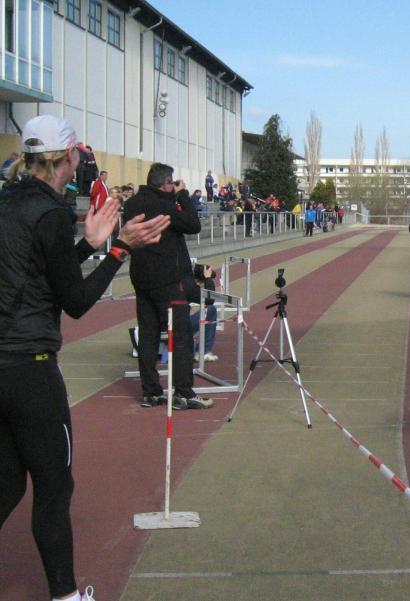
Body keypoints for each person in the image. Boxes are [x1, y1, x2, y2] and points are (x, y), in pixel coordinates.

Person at [0, 114, 169, 601]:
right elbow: (74, 300)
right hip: (29, 369)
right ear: (68, 158)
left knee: (8, 485)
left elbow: (40, 273)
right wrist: (119, 249)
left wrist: (89, 246)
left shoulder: (9, 201)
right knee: (54, 488)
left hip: (4, 364)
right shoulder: (50, 212)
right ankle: (67, 595)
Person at [123, 162, 213, 411]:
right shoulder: (165, 206)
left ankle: (150, 392)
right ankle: (183, 391)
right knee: (181, 333)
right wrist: (182, 195)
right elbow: (193, 224)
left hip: (141, 276)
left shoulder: (132, 204)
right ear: (166, 184)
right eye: (171, 183)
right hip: (166, 278)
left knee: (148, 334)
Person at [190, 264, 218, 362]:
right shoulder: (186, 285)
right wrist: (207, 279)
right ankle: (204, 351)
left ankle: (202, 351)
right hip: (178, 325)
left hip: (160, 324)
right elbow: (209, 300)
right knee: (211, 309)